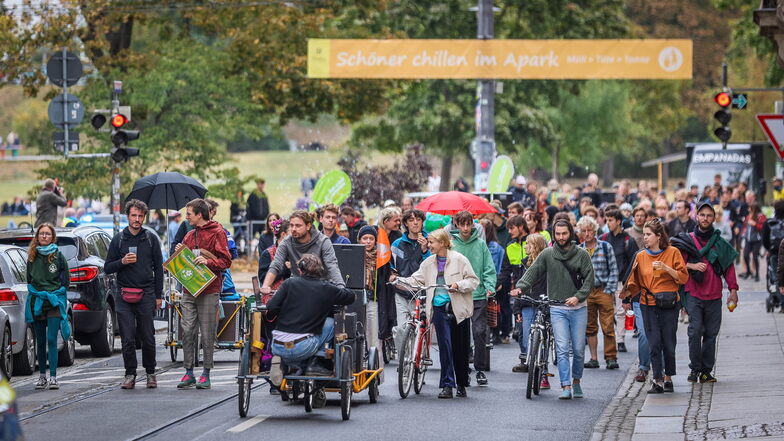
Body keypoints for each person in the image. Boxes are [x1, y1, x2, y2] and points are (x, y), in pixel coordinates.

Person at [393, 228, 479, 399]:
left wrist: (458, 285)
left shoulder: (459, 260)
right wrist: (398, 281)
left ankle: (461, 383)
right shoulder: (428, 263)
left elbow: (473, 281)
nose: (428, 245)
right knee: (445, 347)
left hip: (458, 309)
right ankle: (447, 384)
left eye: (431, 242)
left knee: (460, 349)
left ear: (442, 243)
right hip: (438, 309)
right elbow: (416, 279)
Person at [514, 219, 594, 400]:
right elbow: (532, 272)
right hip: (557, 308)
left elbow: (590, 280)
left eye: (564, 233)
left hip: (578, 308)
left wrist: (578, 297)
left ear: (570, 233)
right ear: (553, 234)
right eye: (557, 234)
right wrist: (521, 287)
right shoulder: (548, 254)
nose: (561, 237)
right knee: (562, 348)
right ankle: (565, 386)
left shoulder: (581, 254)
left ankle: (576, 382)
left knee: (579, 350)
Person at [623, 218, 689, 393]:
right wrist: (627, 296)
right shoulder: (640, 256)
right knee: (654, 343)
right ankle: (657, 380)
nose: (645, 238)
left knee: (668, 342)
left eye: (648, 234)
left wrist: (667, 269)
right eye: (644, 234)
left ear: (658, 236)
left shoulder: (673, 252)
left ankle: (668, 378)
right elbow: (633, 280)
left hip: (669, 303)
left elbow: (683, 278)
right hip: (648, 303)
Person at [267, 254, 356, 383]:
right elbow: (350, 297)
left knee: (291, 340)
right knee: (331, 324)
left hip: (278, 346)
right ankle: (316, 363)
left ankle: (282, 362)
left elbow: (271, 307)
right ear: (320, 270)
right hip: (302, 347)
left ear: (300, 270)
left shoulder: (289, 283)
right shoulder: (326, 288)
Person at [104, 200, 164, 390]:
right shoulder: (119, 240)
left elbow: (159, 269)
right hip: (124, 294)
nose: (137, 219)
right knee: (127, 338)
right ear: (127, 216)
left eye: (140, 216)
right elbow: (107, 267)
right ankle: (130, 374)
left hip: (146, 293)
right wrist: (122, 261)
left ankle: (150, 373)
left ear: (144, 217)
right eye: (133, 216)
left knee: (147, 337)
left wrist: (158, 294)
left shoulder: (150, 239)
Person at [174, 199, 233, 390]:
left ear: (200, 214)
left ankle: (206, 373)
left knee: (207, 333)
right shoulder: (189, 235)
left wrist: (208, 262)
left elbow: (226, 261)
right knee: (188, 329)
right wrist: (180, 253)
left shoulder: (218, 233)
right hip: (189, 288)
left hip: (209, 289)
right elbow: (183, 261)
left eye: (189, 213)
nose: (187, 216)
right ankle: (188, 372)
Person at [683, 203, 739, 384]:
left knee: (711, 334)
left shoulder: (721, 243)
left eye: (709, 215)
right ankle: (694, 368)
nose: (705, 218)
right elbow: (678, 264)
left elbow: (729, 268)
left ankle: (706, 371)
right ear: (696, 217)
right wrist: (692, 265)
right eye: (702, 215)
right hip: (693, 293)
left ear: (714, 218)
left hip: (714, 295)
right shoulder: (688, 240)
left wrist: (733, 290)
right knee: (695, 331)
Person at [449, 211, 497, 386]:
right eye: (462, 224)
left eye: (469, 224)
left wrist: (490, 287)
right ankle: (463, 369)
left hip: (477, 294)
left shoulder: (481, 245)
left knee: (479, 332)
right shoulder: (451, 245)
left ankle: (480, 369)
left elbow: (488, 268)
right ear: (457, 225)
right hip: (458, 295)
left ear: (473, 225)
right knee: (461, 336)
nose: (466, 228)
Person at [25, 224, 70, 390]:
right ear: (37, 237)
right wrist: (39, 294)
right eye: (41, 234)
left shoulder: (58, 256)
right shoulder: (31, 257)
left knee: (51, 339)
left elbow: (65, 282)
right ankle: (42, 376)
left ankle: (53, 377)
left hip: (53, 302)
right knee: (40, 340)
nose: (44, 236)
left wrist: (56, 295)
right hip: (37, 302)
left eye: (47, 234)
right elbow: (29, 281)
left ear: (52, 237)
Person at [261, 210, 345, 292]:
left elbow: (332, 266)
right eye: (292, 225)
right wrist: (265, 285)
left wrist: (341, 287)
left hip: (321, 288)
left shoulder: (323, 241)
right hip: (298, 288)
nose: (293, 229)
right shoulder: (286, 242)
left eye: (298, 226)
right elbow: (276, 265)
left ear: (308, 226)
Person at [577, 216, 620, 370]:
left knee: (608, 325)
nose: (587, 233)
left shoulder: (605, 246)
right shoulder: (579, 250)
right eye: (584, 231)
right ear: (580, 233)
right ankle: (593, 358)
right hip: (587, 292)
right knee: (590, 326)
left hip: (603, 289)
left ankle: (611, 357)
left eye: (590, 230)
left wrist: (609, 290)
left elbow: (614, 269)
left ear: (595, 231)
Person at [510, 233, 549, 391]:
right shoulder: (524, 263)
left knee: (545, 337)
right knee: (527, 338)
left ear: (536, 246)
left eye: (528, 244)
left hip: (543, 303)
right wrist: (516, 308)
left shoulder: (547, 263)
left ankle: (544, 372)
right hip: (526, 304)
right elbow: (519, 287)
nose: (525, 246)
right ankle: (531, 363)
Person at [391, 209, 430, 353]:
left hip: (422, 293)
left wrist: (425, 250)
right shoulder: (397, 243)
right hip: (402, 291)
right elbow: (391, 264)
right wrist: (391, 274)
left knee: (421, 328)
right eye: (411, 220)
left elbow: (433, 264)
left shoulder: (430, 241)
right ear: (406, 223)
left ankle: (421, 355)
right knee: (401, 328)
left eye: (418, 219)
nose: (415, 222)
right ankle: (404, 358)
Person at [600, 209, 639, 354]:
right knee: (607, 311)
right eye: (607, 220)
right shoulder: (603, 238)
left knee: (621, 311)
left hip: (621, 280)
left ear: (618, 222)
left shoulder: (628, 240)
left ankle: (620, 339)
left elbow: (633, 262)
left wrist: (629, 284)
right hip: (605, 280)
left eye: (610, 220)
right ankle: (611, 337)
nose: (608, 223)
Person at [358, 225, 395, 365]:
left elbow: (390, 272)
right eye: (365, 238)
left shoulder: (382, 258)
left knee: (374, 339)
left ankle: (377, 376)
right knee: (357, 338)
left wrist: (392, 275)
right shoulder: (354, 255)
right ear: (359, 240)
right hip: (357, 301)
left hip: (374, 300)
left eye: (371, 238)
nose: (368, 241)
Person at [498, 215, 530, 346]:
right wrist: (496, 284)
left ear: (521, 227)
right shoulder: (510, 247)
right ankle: (524, 358)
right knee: (521, 328)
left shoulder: (533, 242)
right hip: (518, 289)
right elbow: (505, 271)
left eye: (512, 228)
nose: (509, 232)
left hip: (534, 288)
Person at [741, 202, 765, 281]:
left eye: (750, 208)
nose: (748, 209)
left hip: (757, 240)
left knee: (755, 256)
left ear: (754, 209)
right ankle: (748, 271)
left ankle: (757, 274)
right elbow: (745, 226)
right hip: (748, 239)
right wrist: (743, 234)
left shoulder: (761, 216)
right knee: (745, 255)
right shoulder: (748, 216)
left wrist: (755, 224)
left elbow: (763, 228)